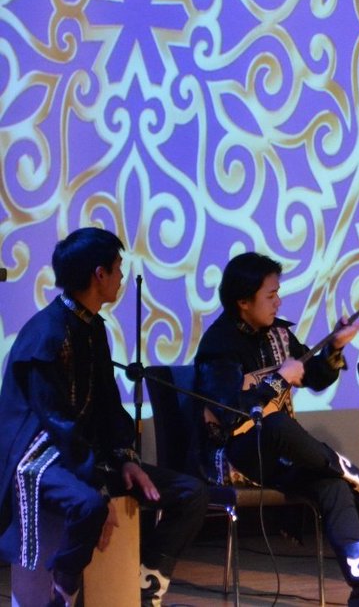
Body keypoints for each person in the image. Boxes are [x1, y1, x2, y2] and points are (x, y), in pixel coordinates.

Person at [0, 228, 208, 607]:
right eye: (118, 269)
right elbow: (55, 419)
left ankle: (148, 583)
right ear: (99, 274)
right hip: (40, 456)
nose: (122, 279)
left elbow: (109, 407)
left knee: (188, 492)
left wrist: (127, 460)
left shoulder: (93, 327)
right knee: (90, 505)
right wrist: (96, 481)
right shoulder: (47, 334)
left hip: (81, 452)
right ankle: (62, 590)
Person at [195, 252, 359, 607]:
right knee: (275, 423)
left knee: (332, 487)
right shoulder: (219, 345)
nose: (278, 301)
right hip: (237, 454)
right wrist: (278, 381)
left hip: (282, 453)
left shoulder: (279, 334)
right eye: (270, 295)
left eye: (278, 293)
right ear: (242, 301)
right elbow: (231, 413)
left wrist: (336, 346)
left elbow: (317, 377)